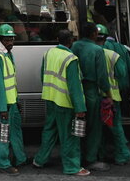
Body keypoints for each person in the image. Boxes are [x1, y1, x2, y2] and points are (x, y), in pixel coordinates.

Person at [33, 30, 89, 176]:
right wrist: (80, 108)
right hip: (65, 103)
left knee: (50, 131)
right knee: (69, 136)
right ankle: (72, 167)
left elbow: (42, 76)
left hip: (50, 99)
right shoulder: (71, 58)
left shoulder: (49, 53)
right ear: (71, 41)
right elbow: (75, 86)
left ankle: (40, 160)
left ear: (57, 39)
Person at [71, 22, 111, 171]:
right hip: (91, 91)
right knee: (94, 127)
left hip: (77, 91)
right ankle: (91, 158)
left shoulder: (74, 46)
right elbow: (102, 78)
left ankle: (78, 156)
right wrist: (108, 95)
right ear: (94, 34)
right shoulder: (97, 50)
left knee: (78, 126)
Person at [0, 24, 28, 175]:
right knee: (3, 134)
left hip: (12, 103)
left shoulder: (9, 55)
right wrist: (2, 108)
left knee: (15, 131)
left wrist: (16, 100)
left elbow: (11, 82)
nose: (10, 42)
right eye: (6, 40)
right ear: (0, 40)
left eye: (12, 39)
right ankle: (2, 163)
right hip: (5, 105)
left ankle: (20, 158)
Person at [95, 24, 130, 166]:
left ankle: (101, 153)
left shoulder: (89, 53)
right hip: (111, 98)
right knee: (115, 127)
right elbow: (122, 74)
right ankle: (122, 154)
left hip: (95, 97)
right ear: (105, 38)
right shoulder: (113, 55)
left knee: (98, 128)